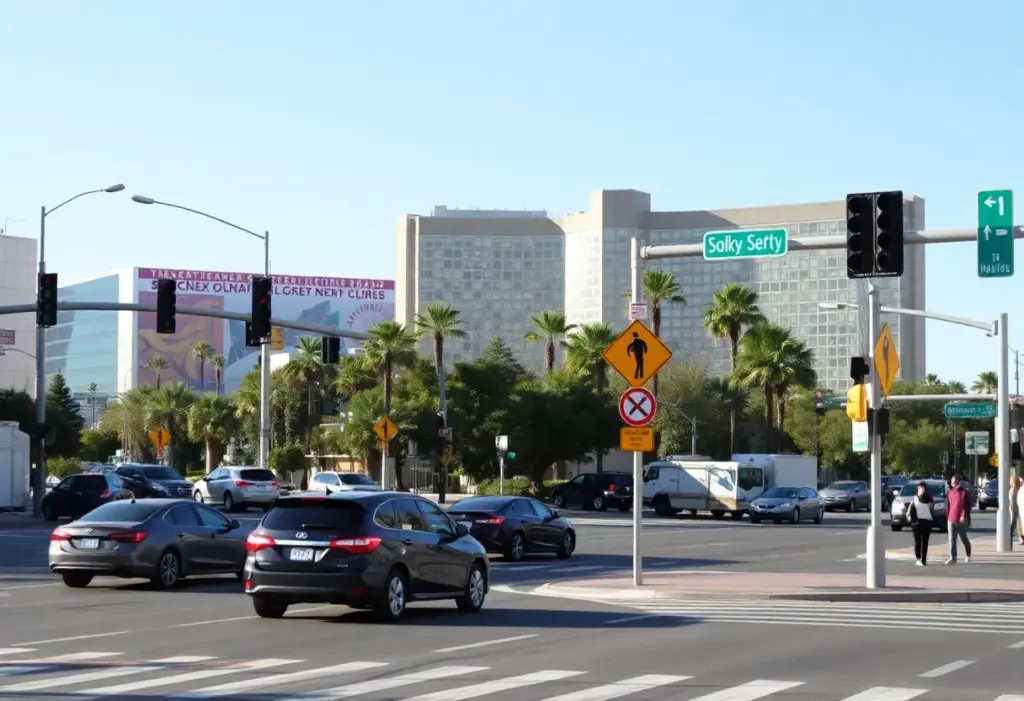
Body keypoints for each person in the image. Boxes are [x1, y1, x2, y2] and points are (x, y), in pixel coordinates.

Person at [946, 473, 972, 564]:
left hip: (960, 519)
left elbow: (966, 505)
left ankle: (968, 554)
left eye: (954, 483)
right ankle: (953, 557)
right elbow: (948, 505)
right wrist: (948, 516)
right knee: (951, 538)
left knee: (963, 537)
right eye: (952, 483)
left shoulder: (964, 492)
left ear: (959, 482)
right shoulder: (949, 492)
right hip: (951, 518)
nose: (953, 485)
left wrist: (963, 515)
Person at [908, 481, 934, 566]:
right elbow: (912, 508)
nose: (919, 489)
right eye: (918, 488)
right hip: (917, 522)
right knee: (917, 541)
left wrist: (922, 495)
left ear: (925, 489)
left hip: (927, 521)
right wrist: (919, 495)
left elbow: (929, 506)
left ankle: (924, 559)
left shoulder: (929, 499)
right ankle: (918, 558)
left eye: (921, 488)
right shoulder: (915, 498)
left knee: (925, 542)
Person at [1011, 475, 1023, 545]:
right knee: (1017, 524)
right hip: (1017, 510)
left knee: (1017, 524)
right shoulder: (1015, 490)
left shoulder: (1014, 490)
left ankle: (1021, 538)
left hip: (1017, 510)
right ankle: (1021, 538)